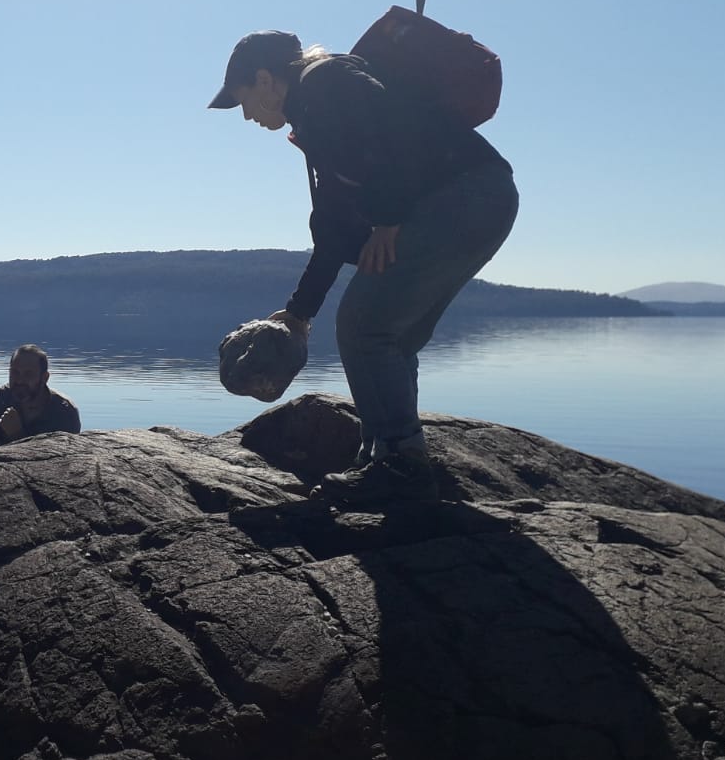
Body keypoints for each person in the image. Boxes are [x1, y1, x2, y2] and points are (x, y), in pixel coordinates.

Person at [208, 30, 518, 503]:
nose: (247, 114)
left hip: (465, 198)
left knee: (364, 325)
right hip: (476, 199)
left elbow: (394, 125)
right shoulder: (314, 118)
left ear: (266, 79)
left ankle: (401, 465)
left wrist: (388, 218)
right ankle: (384, 456)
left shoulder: (326, 81)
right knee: (392, 335)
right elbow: (332, 228)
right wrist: (299, 313)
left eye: (243, 99)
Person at [0, 344, 81, 451]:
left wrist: (16, 435)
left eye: (28, 374)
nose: (19, 380)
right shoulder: (2, 398)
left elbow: (61, 464)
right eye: (15, 372)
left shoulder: (64, 411)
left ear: (44, 378)